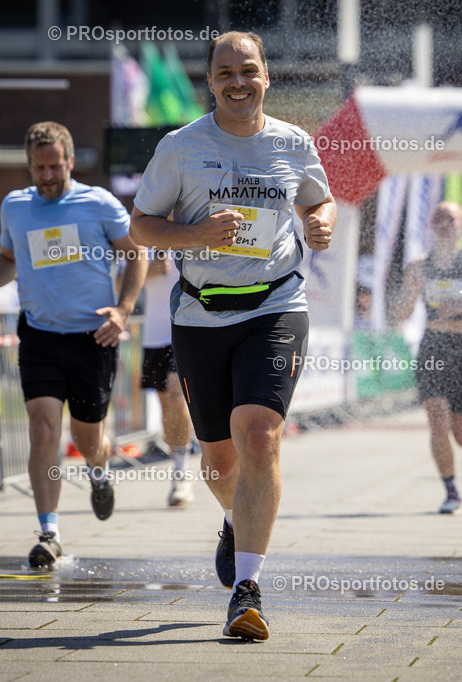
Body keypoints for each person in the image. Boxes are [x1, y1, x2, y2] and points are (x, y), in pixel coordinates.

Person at [130, 31, 336, 641]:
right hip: (200, 315)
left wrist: (319, 222)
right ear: (210, 81)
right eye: (225, 73)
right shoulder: (181, 147)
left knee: (259, 435)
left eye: (248, 70)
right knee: (220, 463)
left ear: (266, 76)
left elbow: (319, 202)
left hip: (276, 305)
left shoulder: (293, 143)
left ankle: (248, 589)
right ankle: (234, 524)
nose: (238, 82)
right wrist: (196, 237)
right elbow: (141, 227)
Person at [0, 121, 148, 569]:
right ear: (29, 165)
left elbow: (137, 253)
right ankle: (49, 532)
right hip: (40, 335)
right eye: (38, 167)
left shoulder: (98, 203)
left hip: (93, 337)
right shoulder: (16, 206)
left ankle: (99, 471)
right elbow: (9, 258)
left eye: (54, 166)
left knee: (88, 439)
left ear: (70, 161)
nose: (46, 175)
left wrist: (123, 311)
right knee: (42, 428)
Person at [392, 200, 462, 515]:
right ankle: (451, 491)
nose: (444, 223)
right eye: (438, 217)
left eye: (451, 219)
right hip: (434, 345)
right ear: (430, 225)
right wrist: (403, 301)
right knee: (438, 423)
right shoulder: (418, 267)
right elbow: (401, 312)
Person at [141, 249, 199, 507]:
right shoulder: (142, 239)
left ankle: (182, 474)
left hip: (187, 330)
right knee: (167, 408)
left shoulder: (193, 229)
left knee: (177, 398)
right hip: (154, 336)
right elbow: (119, 284)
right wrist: (146, 271)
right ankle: (178, 466)